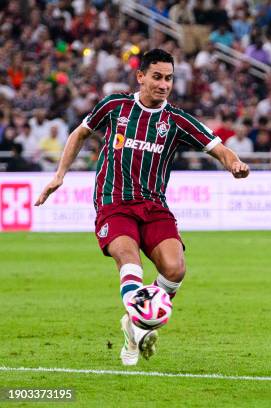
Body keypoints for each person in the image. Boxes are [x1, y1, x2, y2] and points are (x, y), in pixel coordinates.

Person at [35, 49, 250, 366]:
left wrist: (235, 163)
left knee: (175, 269)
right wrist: (59, 174)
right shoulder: (115, 107)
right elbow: (80, 132)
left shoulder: (176, 121)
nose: (164, 84)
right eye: (157, 77)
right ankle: (141, 323)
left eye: (169, 79)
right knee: (128, 257)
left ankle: (134, 325)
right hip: (114, 202)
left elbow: (218, 148)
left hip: (154, 206)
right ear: (141, 76)